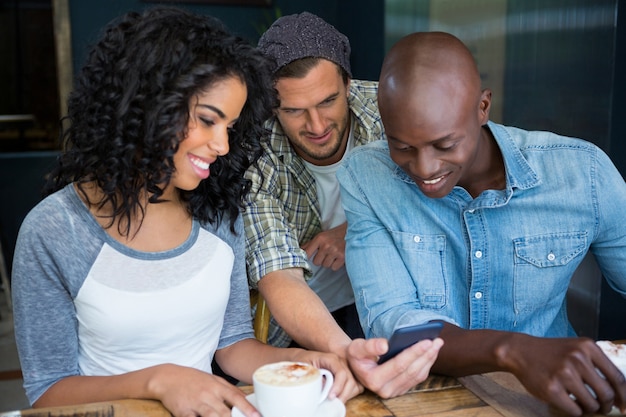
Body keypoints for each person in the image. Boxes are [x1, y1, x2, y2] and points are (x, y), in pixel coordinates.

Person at [10, 7, 355, 417]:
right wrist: (160, 381)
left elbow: (232, 346)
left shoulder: (216, 209)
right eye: (208, 120)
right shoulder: (53, 231)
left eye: (229, 127)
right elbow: (48, 390)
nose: (223, 146)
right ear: (146, 108)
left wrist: (302, 362)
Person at [337, 30, 626, 416]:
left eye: (445, 145)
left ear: (483, 107)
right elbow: (396, 327)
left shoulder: (583, 174)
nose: (425, 169)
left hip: (561, 402)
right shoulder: (366, 176)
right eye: (402, 146)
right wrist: (512, 351)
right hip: (429, 404)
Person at [243, 12, 443, 398]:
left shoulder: (390, 108)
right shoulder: (255, 152)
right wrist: (341, 349)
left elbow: (445, 184)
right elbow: (277, 272)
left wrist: (355, 229)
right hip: (301, 319)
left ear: (349, 85)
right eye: (294, 110)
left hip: (395, 299)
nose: (316, 125)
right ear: (271, 107)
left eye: (328, 101)